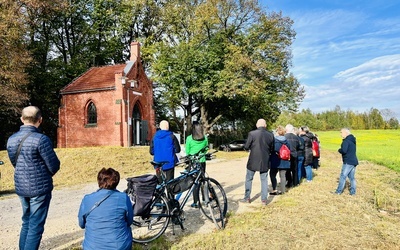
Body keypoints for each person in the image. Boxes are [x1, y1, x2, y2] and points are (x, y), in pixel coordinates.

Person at [6, 106, 60, 250]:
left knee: (26, 221)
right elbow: (54, 165)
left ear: (22, 119)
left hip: (21, 186)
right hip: (39, 189)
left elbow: (14, 162)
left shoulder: (11, 139)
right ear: (40, 120)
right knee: (35, 225)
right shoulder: (42, 139)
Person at [78, 168, 133, 250]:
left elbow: (81, 224)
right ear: (116, 182)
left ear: (99, 181)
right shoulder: (124, 198)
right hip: (119, 246)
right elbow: (129, 221)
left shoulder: (87, 199)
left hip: (93, 247)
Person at [241, 119, 274, 205]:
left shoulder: (252, 134)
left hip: (253, 160)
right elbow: (272, 148)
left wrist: (248, 148)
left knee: (249, 179)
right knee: (264, 180)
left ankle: (247, 198)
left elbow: (246, 146)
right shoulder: (270, 135)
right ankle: (264, 200)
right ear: (265, 125)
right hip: (265, 159)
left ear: (257, 125)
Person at [185, 121, 208, 208]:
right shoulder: (205, 138)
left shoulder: (189, 138)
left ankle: (196, 201)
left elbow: (187, 151)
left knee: (195, 181)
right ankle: (205, 199)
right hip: (202, 161)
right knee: (203, 180)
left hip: (193, 161)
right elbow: (206, 149)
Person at [334, 128, 359, 195]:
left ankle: (338, 192)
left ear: (346, 133)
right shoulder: (352, 140)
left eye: (341, 132)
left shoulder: (346, 141)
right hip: (354, 161)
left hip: (348, 161)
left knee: (343, 176)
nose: (340, 134)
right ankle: (353, 192)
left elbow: (344, 150)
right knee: (351, 178)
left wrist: (339, 150)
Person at [270, 125, 292, 195]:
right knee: (283, 176)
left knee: (272, 174)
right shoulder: (286, 141)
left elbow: (272, 149)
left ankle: (274, 189)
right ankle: (283, 191)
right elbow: (289, 149)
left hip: (275, 160)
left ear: (277, 132)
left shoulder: (274, 140)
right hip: (284, 160)